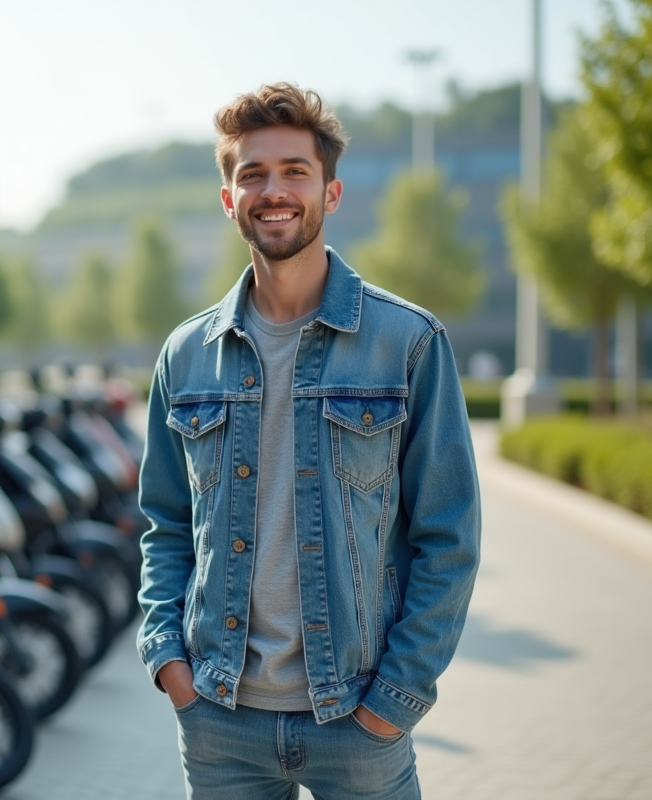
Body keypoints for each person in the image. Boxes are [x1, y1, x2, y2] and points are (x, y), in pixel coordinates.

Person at [136, 82, 481, 799]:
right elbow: (165, 526)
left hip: (357, 719)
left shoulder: (408, 342)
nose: (274, 190)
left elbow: (447, 536)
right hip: (220, 719)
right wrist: (170, 663)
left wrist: (395, 700)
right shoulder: (186, 354)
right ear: (229, 199)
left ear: (331, 193)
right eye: (252, 173)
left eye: (296, 170)